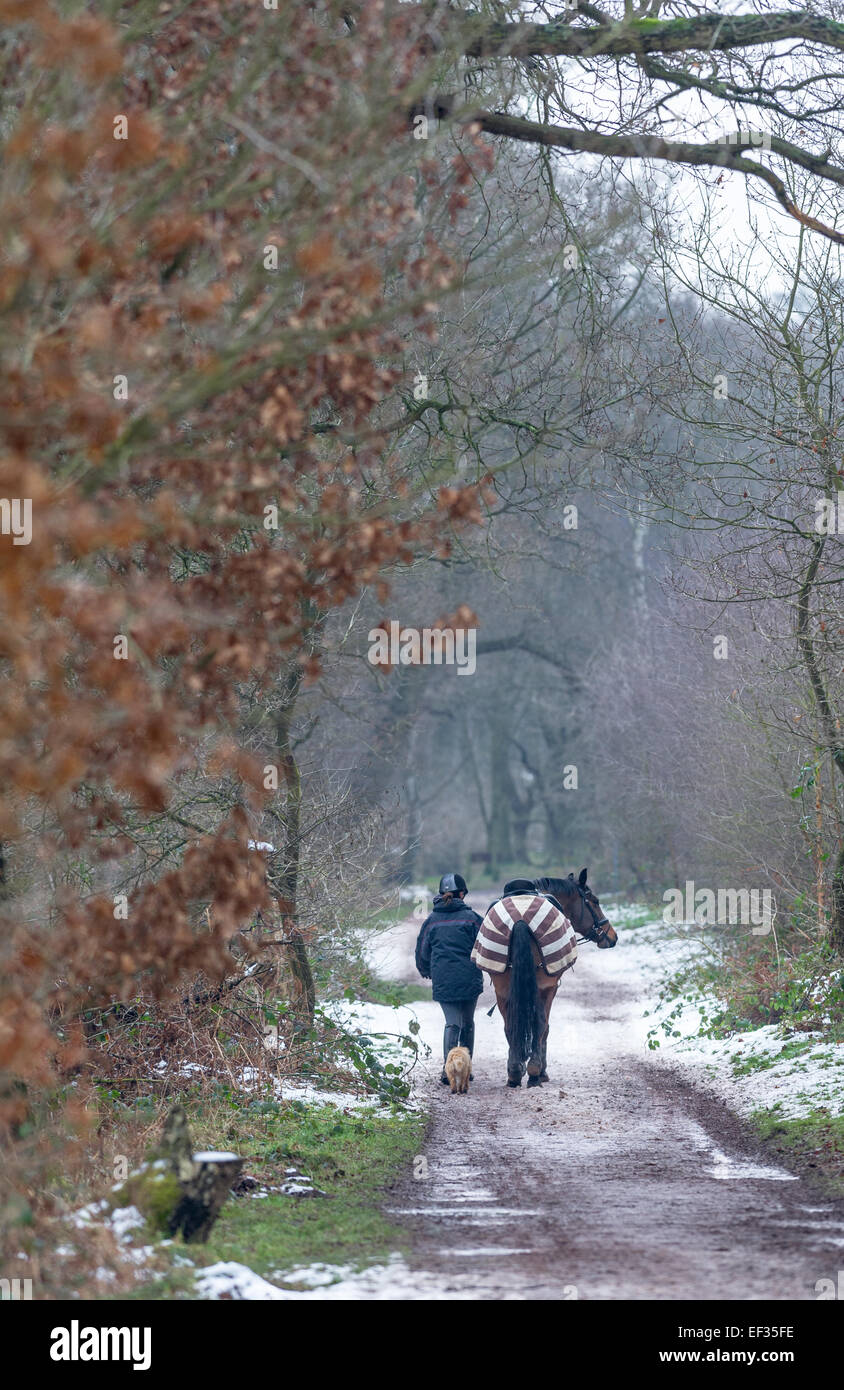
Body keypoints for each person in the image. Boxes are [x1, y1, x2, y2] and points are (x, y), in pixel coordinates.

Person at [415, 873, 484, 1085]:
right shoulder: (472, 919)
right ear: (461, 894)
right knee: (468, 1024)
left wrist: (427, 970)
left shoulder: (432, 920)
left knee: (452, 1023)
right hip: (469, 979)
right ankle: (466, 1069)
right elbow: (485, 946)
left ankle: (449, 1071)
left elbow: (422, 952)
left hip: (443, 981)